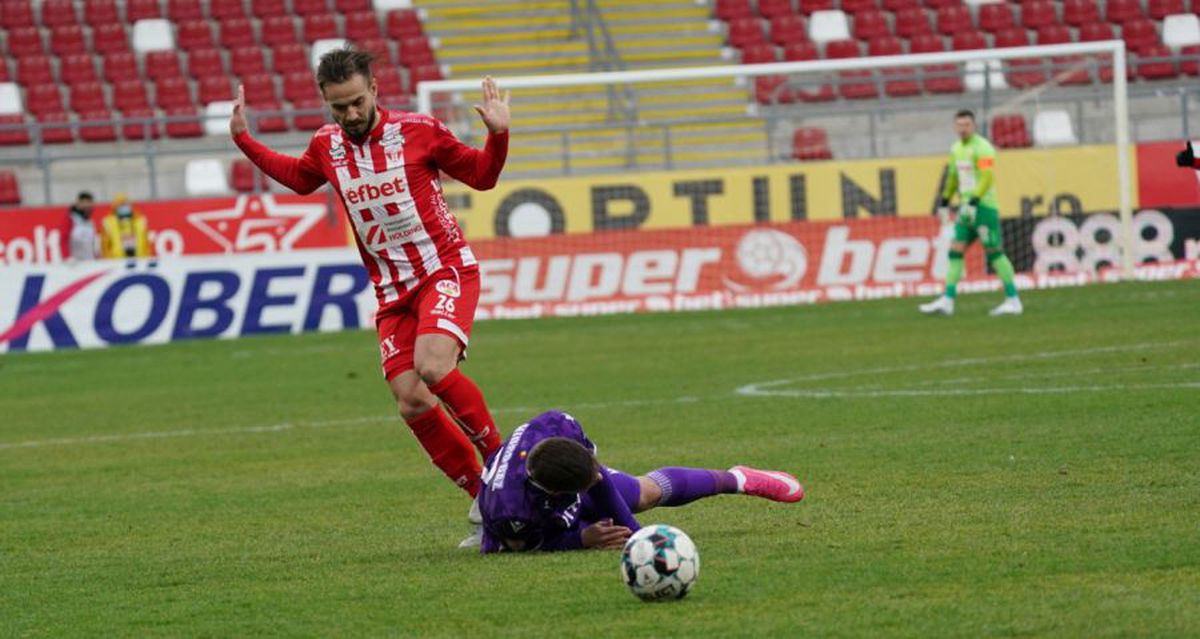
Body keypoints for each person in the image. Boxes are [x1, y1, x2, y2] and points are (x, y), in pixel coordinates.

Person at [230, 45, 510, 546]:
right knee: (411, 401)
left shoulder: (419, 132)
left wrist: (498, 133)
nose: (351, 114)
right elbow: (298, 179)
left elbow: (483, 177)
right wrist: (245, 140)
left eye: (358, 102)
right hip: (392, 292)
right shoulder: (326, 145)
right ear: (325, 102)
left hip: (443, 269)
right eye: (339, 107)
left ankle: (504, 469)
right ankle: (488, 501)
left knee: (433, 366)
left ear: (375, 90)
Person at [478, 410, 804, 553]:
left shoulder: (558, 424)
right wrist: (580, 540)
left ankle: (738, 478)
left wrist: (638, 535)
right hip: (525, 524)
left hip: (548, 480)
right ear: (561, 492)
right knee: (594, 528)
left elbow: (596, 477)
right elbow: (526, 547)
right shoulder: (513, 514)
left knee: (644, 493)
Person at [920, 110, 1022, 317]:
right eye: (959, 125)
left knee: (994, 252)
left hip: (983, 208)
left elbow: (986, 178)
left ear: (974, 126)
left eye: (967, 124)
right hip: (966, 209)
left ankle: (1013, 300)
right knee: (955, 251)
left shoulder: (983, 148)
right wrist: (945, 200)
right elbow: (952, 177)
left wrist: (974, 200)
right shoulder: (956, 149)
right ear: (954, 127)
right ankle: (947, 300)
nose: (963, 128)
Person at [99, 192, 153, 259]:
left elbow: (147, 244)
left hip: (139, 260)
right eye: (121, 205)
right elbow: (105, 247)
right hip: (118, 262)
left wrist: (146, 258)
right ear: (115, 206)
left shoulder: (140, 220)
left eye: (125, 204)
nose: (124, 207)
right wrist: (110, 261)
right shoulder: (108, 222)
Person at [67, 191, 98, 261]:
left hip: (90, 262)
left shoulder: (90, 223)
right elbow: (64, 239)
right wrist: (68, 257)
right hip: (75, 264)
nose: (87, 206)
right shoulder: (71, 220)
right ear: (78, 203)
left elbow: (93, 244)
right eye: (84, 203)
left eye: (89, 203)